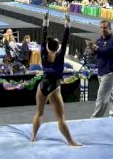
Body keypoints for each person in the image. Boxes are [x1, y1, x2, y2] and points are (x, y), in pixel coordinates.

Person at [31, 12, 81, 146]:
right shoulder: (60, 56)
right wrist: (67, 24)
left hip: (42, 87)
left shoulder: (43, 53)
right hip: (54, 89)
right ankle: (71, 141)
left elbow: (43, 38)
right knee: (60, 118)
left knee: (39, 113)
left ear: (47, 47)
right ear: (58, 48)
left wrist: (45, 21)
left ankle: (33, 137)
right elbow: (65, 39)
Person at [91, 20, 113, 118]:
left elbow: (107, 52)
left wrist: (96, 49)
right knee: (110, 94)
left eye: (105, 28)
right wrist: (92, 49)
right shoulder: (99, 41)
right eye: (101, 28)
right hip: (101, 72)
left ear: (110, 29)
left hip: (110, 72)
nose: (103, 30)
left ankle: (95, 118)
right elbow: (96, 54)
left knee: (101, 96)